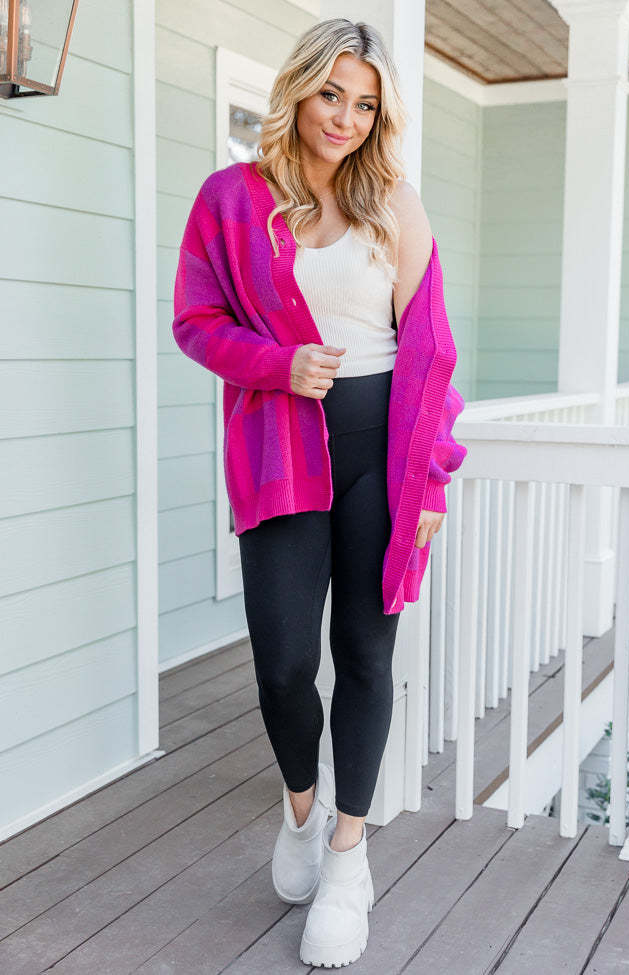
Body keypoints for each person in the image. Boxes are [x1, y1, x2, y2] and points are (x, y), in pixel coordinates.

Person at [172, 17, 466, 968]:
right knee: (284, 665)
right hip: (281, 450)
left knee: (366, 657)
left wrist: (431, 476)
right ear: (298, 89)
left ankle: (348, 854)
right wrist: (278, 363)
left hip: (386, 452)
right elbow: (195, 321)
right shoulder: (232, 200)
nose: (344, 117)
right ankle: (301, 808)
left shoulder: (396, 205)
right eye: (331, 94)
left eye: (365, 104)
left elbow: (433, 351)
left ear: (381, 116)